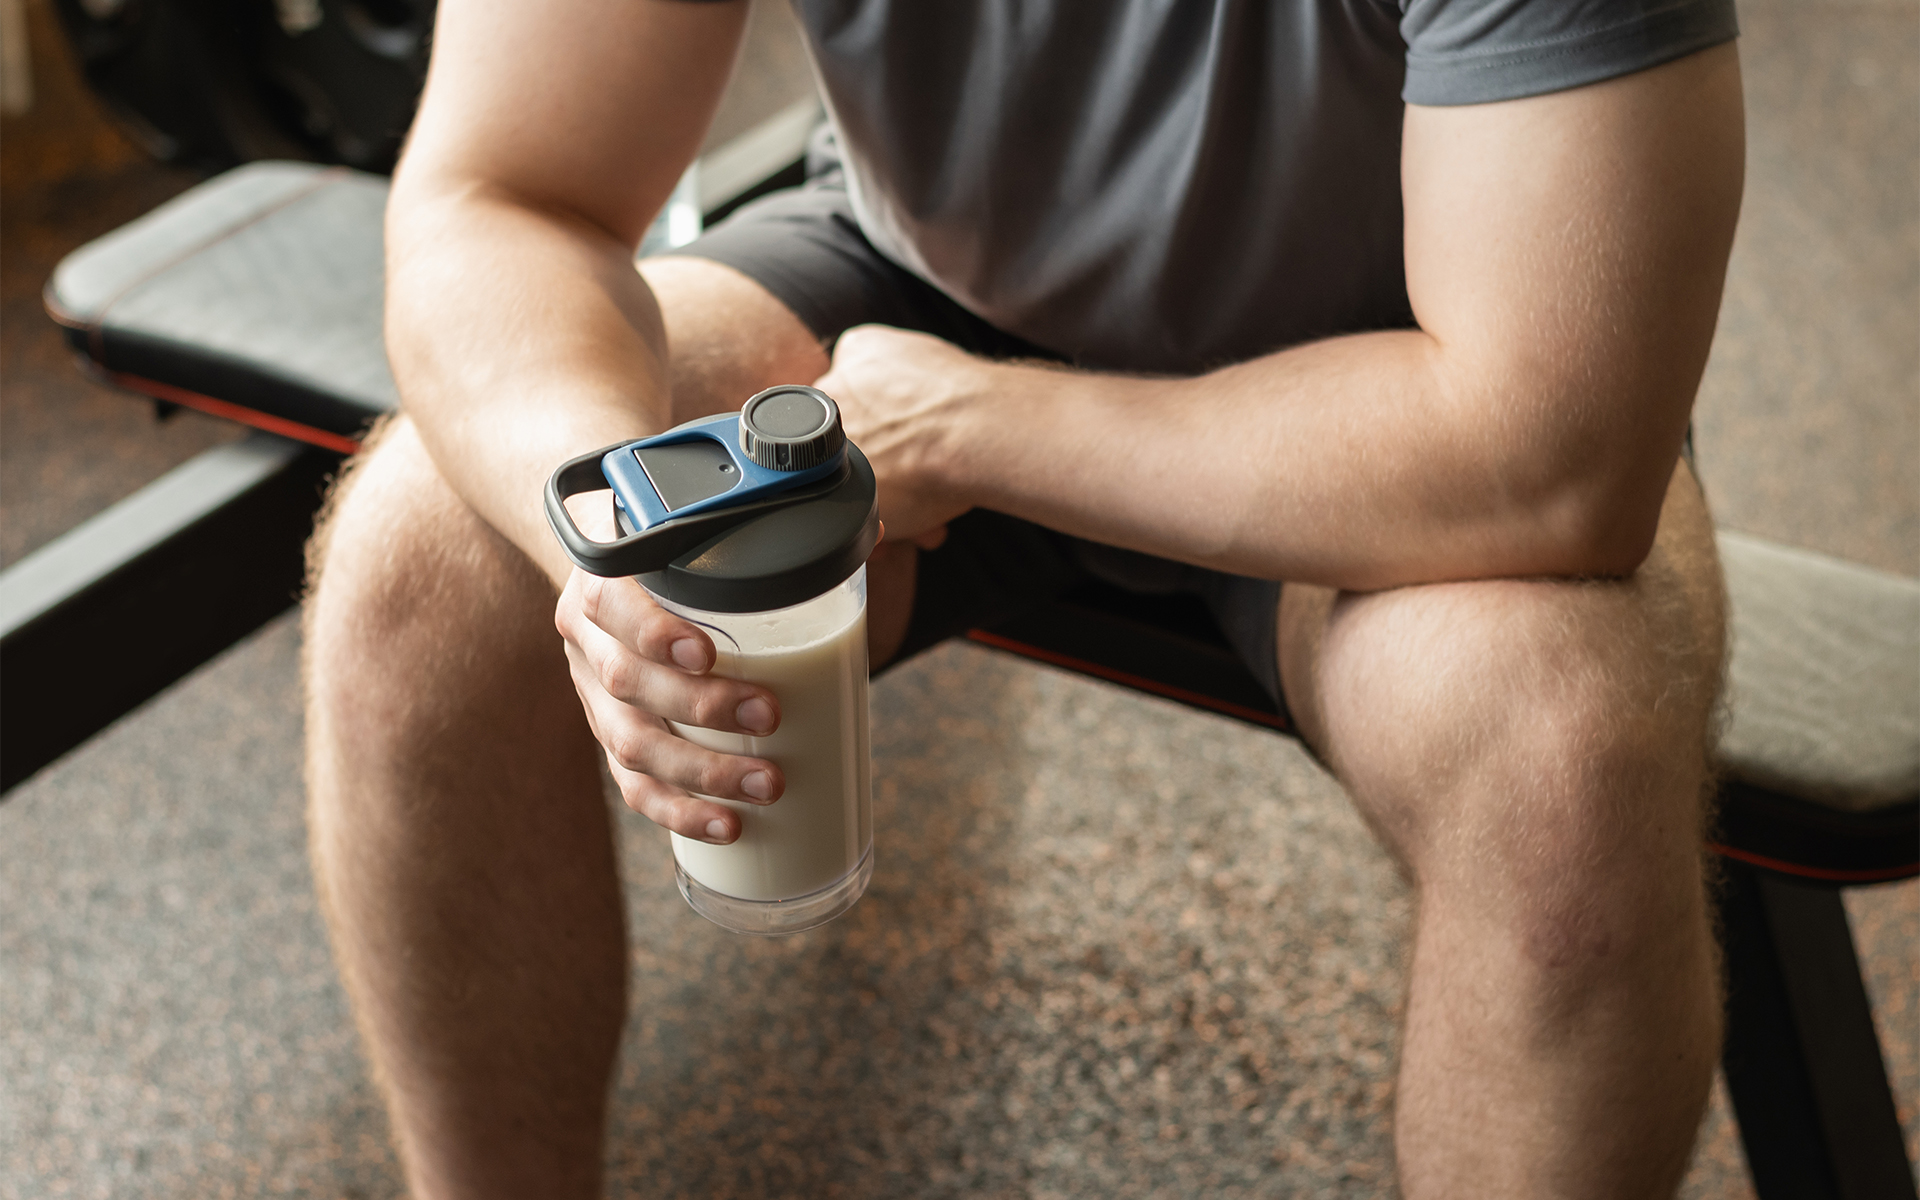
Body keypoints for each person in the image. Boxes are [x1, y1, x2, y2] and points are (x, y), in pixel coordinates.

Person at [302, 0, 1746, 1195]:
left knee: (1563, 760)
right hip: (925, 287)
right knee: (422, 558)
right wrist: (608, 535)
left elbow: (1548, 451)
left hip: (1403, 382)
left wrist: (973, 431)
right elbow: (506, 194)